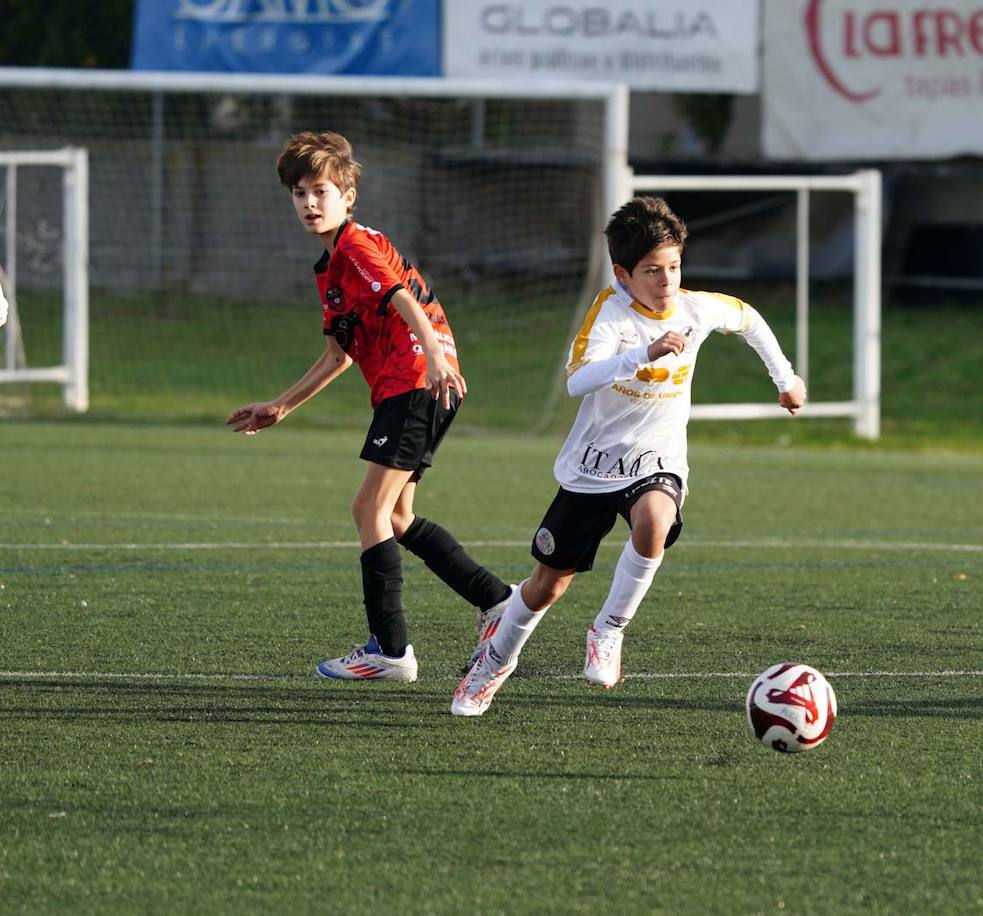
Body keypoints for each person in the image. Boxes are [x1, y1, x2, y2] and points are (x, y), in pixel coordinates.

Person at [451, 195, 807, 716]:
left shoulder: (695, 308)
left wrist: (787, 379)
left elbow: (748, 318)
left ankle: (609, 628)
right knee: (546, 586)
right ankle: (496, 662)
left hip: (656, 460)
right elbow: (578, 381)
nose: (667, 282)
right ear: (623, 273)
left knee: (654, 522)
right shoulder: (610, 313)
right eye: (652, 272)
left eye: (674, 267)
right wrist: (643, 353)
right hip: (592, 468)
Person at [226, 131, 512, 683]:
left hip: (417, 382)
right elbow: (339, 354)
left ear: (348, 195)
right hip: (417, 386)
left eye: (321, 191)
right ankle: (498, 603)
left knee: (368, 512)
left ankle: (390, 650)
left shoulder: (356, 247)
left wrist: (432, 354)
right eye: (300, 193)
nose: (310, 203)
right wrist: (281, 406)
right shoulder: (330, 269)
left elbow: (401, 298)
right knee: (396, 516)